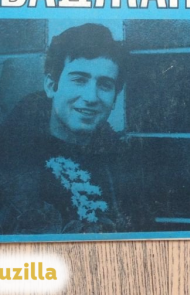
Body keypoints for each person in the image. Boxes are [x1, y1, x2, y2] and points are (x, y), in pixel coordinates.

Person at [0, 23, 136, 235]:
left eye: (105, 85)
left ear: (114, 99)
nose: (91, 97)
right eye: (79, 80)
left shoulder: (124, 166)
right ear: (51, 86)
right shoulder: (10, 161)